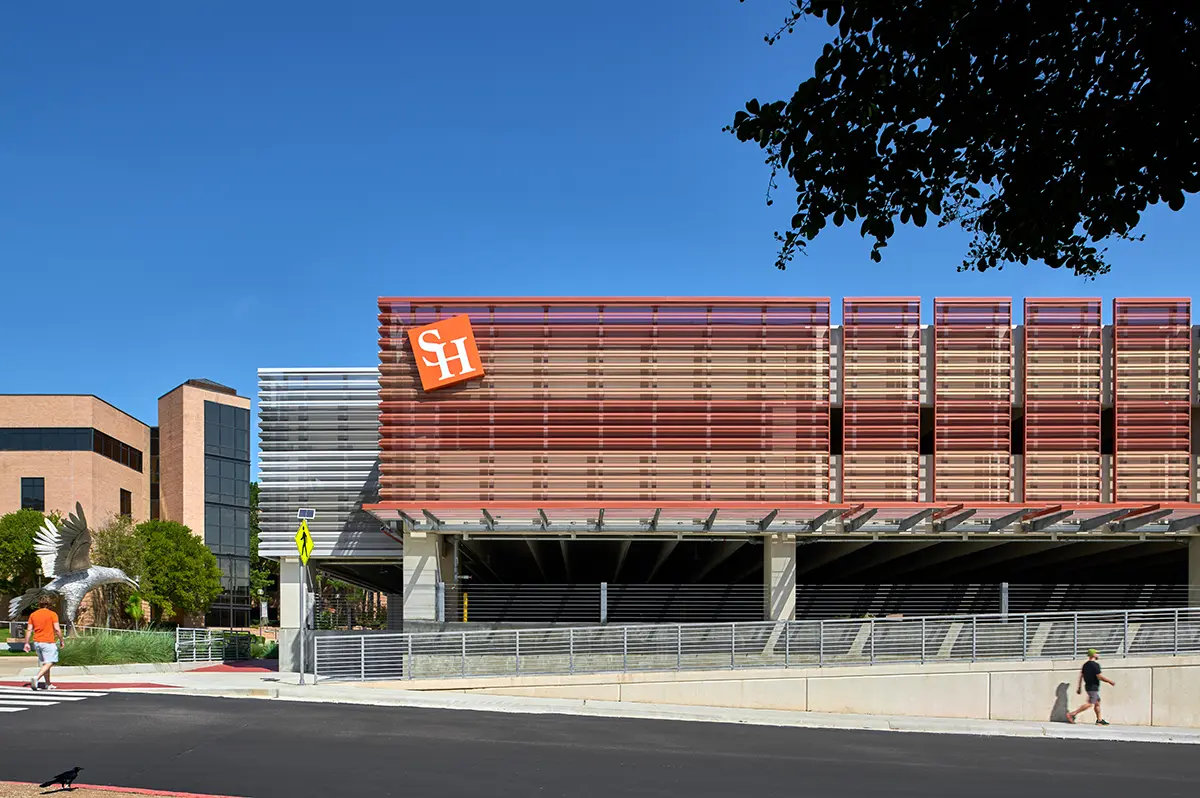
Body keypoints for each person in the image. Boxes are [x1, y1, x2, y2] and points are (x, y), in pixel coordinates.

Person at [22, 596, 65, 691]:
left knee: (46, 664)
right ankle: (36, 678)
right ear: (49, 604)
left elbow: (29, 630)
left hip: (37, 642)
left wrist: (26, 643)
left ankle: (48, 684)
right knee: (51, 662)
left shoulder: (33, 615)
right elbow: (57, 629)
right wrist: (62, 640)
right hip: (48, 642)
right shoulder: (52, 614)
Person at [1067, 648, 1115, 725]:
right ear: (1093, 654)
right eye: (1096, 653)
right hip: (1093, 687)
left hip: (1088, 686)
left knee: (1097, 702)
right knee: (1090, 703)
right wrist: (1109, 681)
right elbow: (1099, 676)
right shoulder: (1095, 665)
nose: (1097, 654)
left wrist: (1079, 687)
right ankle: (1072, 714)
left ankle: (1099, 720)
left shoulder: (1085, 665)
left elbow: (1081, 676)